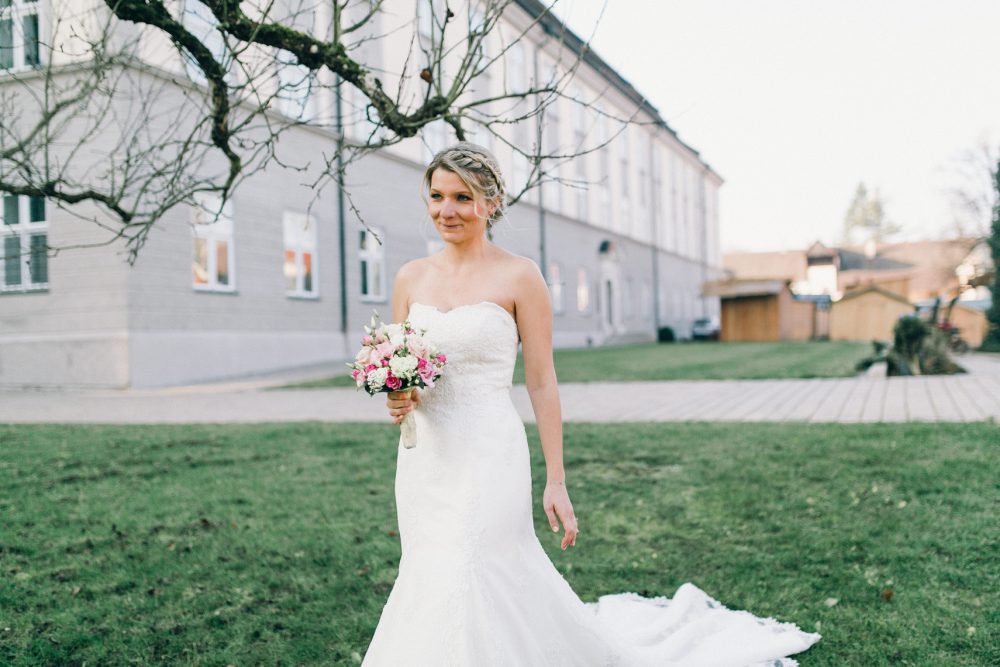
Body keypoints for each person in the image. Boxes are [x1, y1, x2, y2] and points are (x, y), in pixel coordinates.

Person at [361, 142, 820, 666]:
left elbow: (541, 382)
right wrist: (399, 395)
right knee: (432, 565)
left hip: (489, 448)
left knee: (477, 559)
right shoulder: (410, 278)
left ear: (490, 203)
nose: (447, 210)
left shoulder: (520, 277)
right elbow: (401, 362)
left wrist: (556, 479)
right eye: (438, 196)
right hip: (427, 456)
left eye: (462, 197)